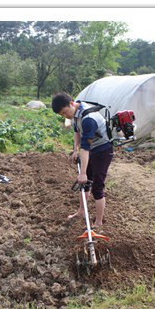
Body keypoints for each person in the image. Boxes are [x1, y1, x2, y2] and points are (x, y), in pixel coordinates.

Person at [51, 93, 113, 230]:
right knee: (84, 184)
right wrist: (75, 149)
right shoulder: (75, 113)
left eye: (65, 112)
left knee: (97, 186)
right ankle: (81, 211)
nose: (65, 116)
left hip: (102, 151)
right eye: (62, 115)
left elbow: (86, 149)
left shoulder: (88, 120)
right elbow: (76, 131)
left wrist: (83, 173)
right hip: (91, 149)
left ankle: (98, 222)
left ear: (71, 104)